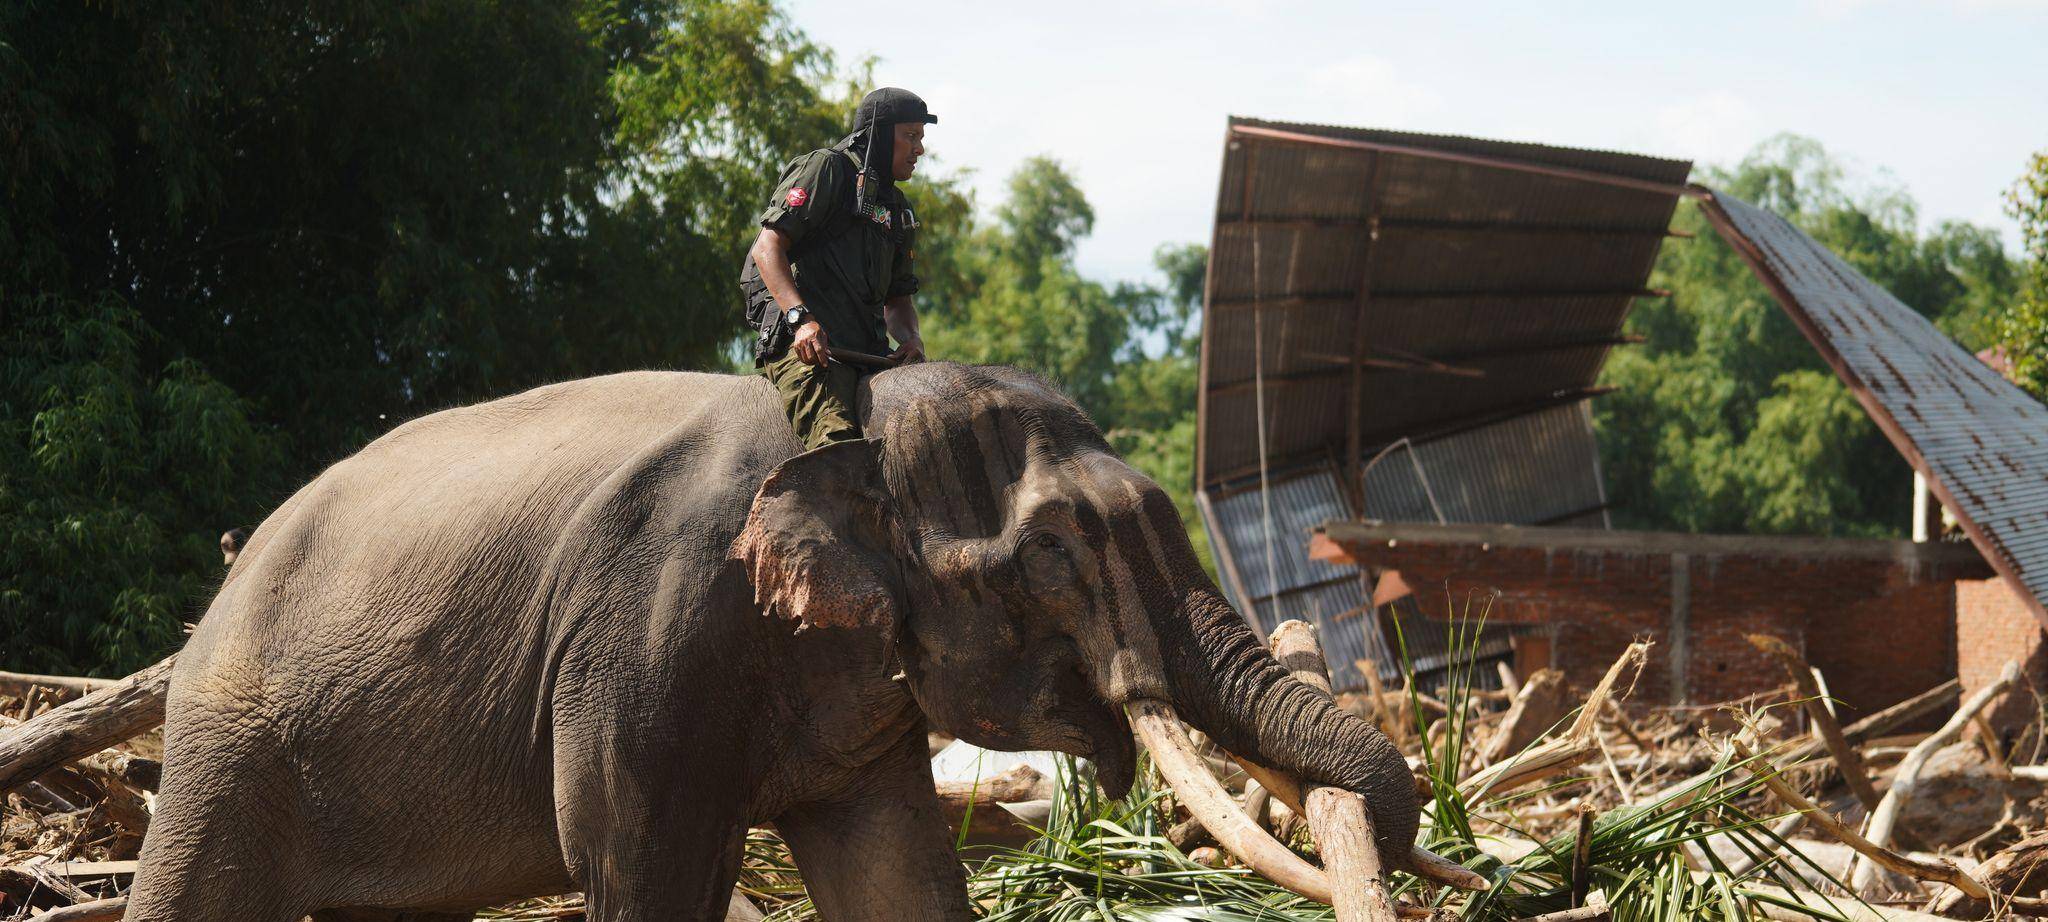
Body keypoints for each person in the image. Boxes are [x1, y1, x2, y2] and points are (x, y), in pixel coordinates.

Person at [741, 87, 934, 449]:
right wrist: (801, 321)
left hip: (869, 355)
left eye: (921, 138)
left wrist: (911, 338)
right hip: (809, 350)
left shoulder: (898, 208)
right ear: (878, 135)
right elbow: (767, 248)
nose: (919, 149)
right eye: (910, 136)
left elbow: (898, 300)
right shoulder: (827, 169)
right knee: (838, 447)